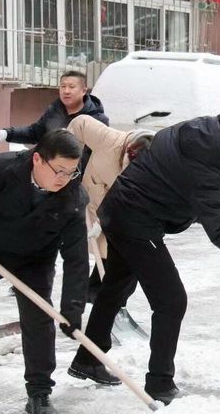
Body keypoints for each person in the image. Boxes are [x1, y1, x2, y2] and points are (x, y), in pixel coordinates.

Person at [67, 110, 220, 404]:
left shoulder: (197, 129)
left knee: (115, 287)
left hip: (119, 208)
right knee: (171, 301)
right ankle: (160, 383)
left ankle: (88, 358)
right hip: (136, 222)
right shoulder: (204, 169)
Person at [0, 130, 89, 414]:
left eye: (71, 171)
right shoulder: (1, 170)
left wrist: (73, 309)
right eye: (59, 170)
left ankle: (39, 394)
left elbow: (77, 258)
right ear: (37, 159)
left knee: (39, 321)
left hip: (33, 260)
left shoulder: (73, 197)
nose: (64, 178)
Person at [66, 114, 154, 303]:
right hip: (90, 200)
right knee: (79, 252)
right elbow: (80, 124)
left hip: (118, 213)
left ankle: (110, 301)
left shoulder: (154, 167)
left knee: (123, 257)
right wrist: (69, 165)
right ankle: (88, 298)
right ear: (128, 150)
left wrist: (103, 220)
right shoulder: (108, 139)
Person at [0, 70, 109, 169]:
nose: (66, 91)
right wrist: (7, 133)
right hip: (47, 173)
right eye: (63, 86)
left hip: (78, 177)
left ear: (83, 91)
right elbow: (34, 133)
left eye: (71, 87)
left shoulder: (96, 120)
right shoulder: (54, 111)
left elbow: (100, 155)